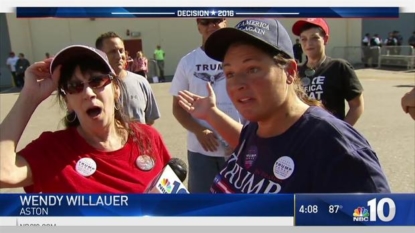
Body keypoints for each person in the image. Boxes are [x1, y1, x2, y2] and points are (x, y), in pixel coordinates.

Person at [177, 18, 391, 193]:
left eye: (252, 69)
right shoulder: (258, 125)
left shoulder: (333, 145)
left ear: (289, 71)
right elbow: (255, 146)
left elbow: (378, 218)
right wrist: (211, 114)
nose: (237, 84)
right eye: (230, 73)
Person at [0, 45, 171, 193]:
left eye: (97, 81)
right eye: (75, 86)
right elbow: (3, 173)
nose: (88, 93)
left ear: (116, 90)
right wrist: (29, 96)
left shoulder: (148, 137)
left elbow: (172, 198)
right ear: (68, 102)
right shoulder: (54, 151)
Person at [170, 18, 243, 193]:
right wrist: (199, 130)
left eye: (216, 20)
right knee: (202, 207)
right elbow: (178, 107)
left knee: (240, 208)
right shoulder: (188, 62)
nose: (211, 25)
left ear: (225, 22)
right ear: (198, 26)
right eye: (205, 21)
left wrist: (244, 139)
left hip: (238, 149)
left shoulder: (239, 58)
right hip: (201, 152)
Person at [292, 18, 364, 126]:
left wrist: (341, 131)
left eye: (314, 38)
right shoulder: (296, 72)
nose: (308, 43)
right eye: (304, 39)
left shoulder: (338, 67)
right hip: (302, 136)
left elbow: (357, 105)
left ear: (325, 39)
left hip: (329, 134)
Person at [95, 32, 160, 125]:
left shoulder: (141, 82)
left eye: (121, 51)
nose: (119, 56)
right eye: (112, 52)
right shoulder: (93, 87)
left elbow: (149, 120)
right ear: (100, 55)